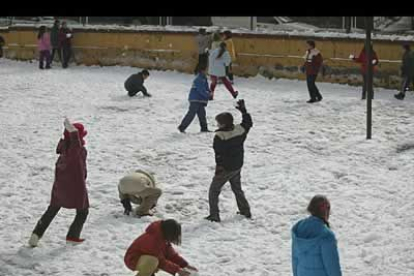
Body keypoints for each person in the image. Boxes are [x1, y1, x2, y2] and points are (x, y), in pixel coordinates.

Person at [28, 118, 89, 247]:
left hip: (60, 186)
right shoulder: (76, 150)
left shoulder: (63, 149)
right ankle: (73, 236)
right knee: (83, 211)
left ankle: (36, 234)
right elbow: (75, 143)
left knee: (52, 210)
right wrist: (73, 131)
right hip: (76, 186)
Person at [205, 100, 252, 222]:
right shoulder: (240, 130)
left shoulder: (220, 136)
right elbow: (248, 123)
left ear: (222, 124)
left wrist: (219, 168)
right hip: (237, 165)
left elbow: (219, 155)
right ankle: (245, 210)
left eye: (218, 123)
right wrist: (243, 111)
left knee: (214, 190)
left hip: (226, 168)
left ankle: (214, 215)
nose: (217, 125)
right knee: (237, 188)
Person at [124, 219, 198, 276]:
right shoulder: (152, 239)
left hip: (146, 259)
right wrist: (178, 270)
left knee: (154, 261)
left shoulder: (162, 238)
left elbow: (172, 255)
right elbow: (161, 261)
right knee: (153, 261)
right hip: (133, 260)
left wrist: (185, 265)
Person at [291, 195, 342, 276]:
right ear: (326, 211)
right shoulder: (327, 236)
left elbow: (295, 260)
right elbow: (333, 268)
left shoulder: (299, 228)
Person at [178, 63, 210, 133]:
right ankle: (182, 127)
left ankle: (204, 128)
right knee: (191, 114)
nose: (208, 70)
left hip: (200, 100)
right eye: (207, 69)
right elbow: (201, 90)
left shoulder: (204, 78)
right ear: (202, 70)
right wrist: (208, 95)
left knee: (202, 114)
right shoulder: (198, 79)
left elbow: (206, 88)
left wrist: (209, 93)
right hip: (195, 99)